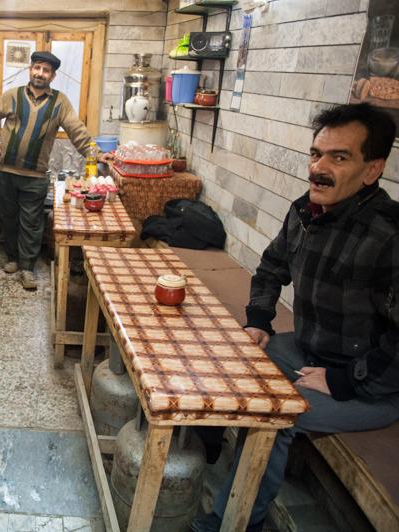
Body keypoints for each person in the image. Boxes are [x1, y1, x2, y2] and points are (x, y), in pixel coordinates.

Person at [191, 103, 399, 531]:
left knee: (274, 414)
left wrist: (343, 380)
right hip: (307, 349)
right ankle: (208, 447)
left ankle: (233, 522)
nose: (318, 169)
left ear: (372, 170)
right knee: (226, 356)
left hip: (372, 387)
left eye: (339, 157)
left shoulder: (389, 236)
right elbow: (271, 267)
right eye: (316, 154)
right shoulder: (306, 212)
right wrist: (258, 321)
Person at [0, 51, 112, 290]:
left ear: (52, 76)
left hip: (35, 176)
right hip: (6, 172)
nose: (40, 73)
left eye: (46, 70)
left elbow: (77, 131)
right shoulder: (13, 95)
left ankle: (27, 268)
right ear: (30, 70)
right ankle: (12, 258)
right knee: (8, 219)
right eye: (37, 68)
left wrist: (96, 153)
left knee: (31, 223)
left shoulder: (60, 102)